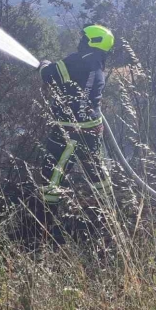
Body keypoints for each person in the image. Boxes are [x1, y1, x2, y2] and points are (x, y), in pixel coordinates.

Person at [37, 24, 115, 207]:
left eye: (84, 39)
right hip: (93, 128)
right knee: (96, 169)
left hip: (69, 129)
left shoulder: (76, 60)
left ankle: (45, 216)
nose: (81, 42)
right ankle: (108, 211)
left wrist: (44, 64)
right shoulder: (97, 63)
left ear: (92, 41)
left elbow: (49, 75)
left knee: (52, 172)